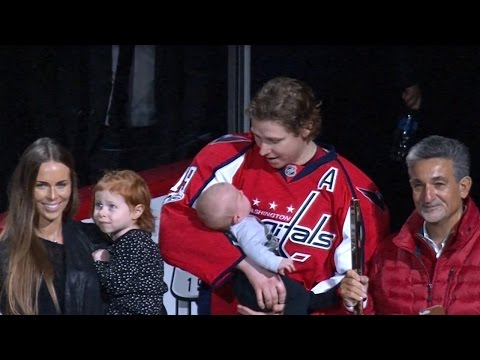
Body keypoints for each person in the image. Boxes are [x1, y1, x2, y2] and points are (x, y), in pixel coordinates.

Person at [159, 76, 390, 315]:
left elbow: (354, 290)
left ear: (306, 128)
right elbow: (173, 227)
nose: (262, 149)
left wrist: (293, 308)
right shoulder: (225, 154)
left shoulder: (355, 189)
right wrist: (247, 267)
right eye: (257, 136)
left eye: (274, 140)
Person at [340, 135, 480, 315]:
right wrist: (360, 304)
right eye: (418, 185)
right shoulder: (388, 252)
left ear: (464, 187)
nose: (428, 197)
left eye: (439, 184)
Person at [0, 137, 107, 315]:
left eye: (61, 185)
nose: (52, 196)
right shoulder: (7, 254)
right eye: (41, 186)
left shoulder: (94, 238)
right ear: (26, 188)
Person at [196, 182, 338, 314]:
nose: (241, 191)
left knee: (299, 297)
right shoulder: (245, 229)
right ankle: (328, 299)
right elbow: (255, 251)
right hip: (254, 281)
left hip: (245, 284)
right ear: (237, 217)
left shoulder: (233, 229)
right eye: (239, 196)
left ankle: (325, 299)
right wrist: (276, 263)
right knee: (296, 296)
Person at [91, 169, 168, 315]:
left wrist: (99, 262)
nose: (102, 212)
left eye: (111, 206)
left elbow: (116, 284)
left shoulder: (134, 242)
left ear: (136, 211)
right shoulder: (132, 240)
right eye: (99, 205)